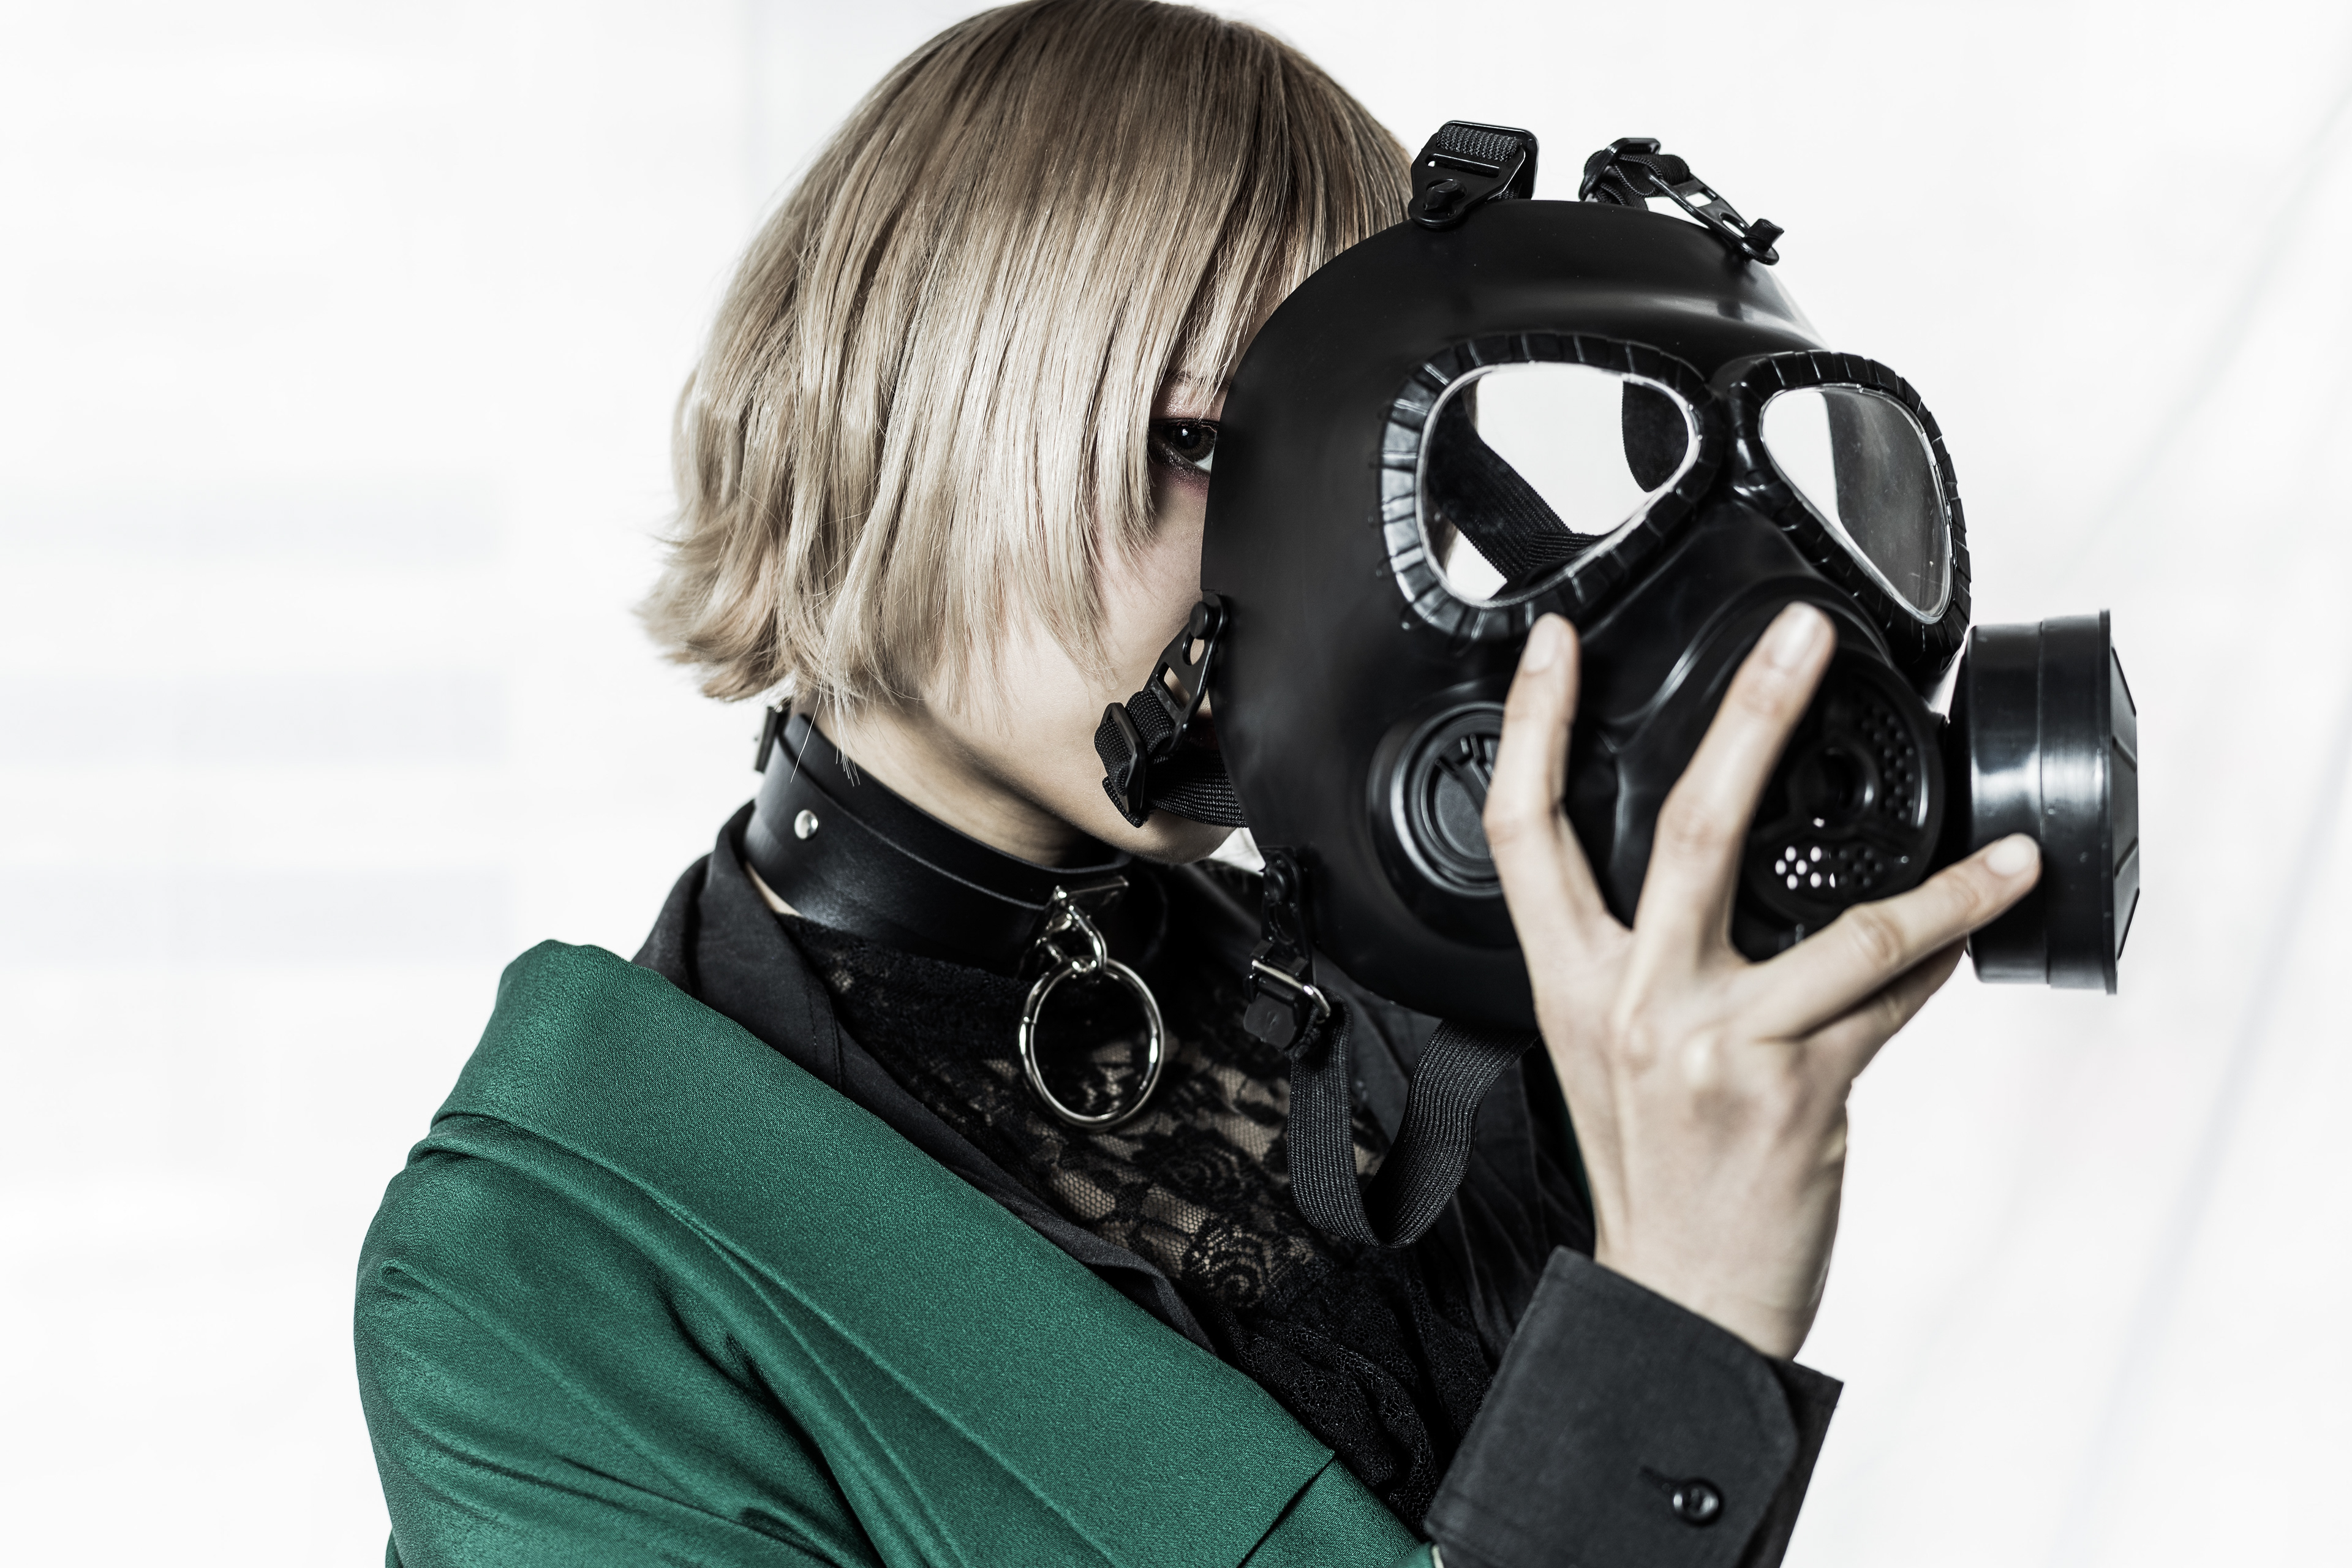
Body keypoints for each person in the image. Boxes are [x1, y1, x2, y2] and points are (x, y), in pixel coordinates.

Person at [353, 4, 2043, 1565]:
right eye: (1205, 445)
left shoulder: (1419, 1019)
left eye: (1370, 464)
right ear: (910, 419)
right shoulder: (537, 1275)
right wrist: (1676, 1325)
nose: (1316, 569)